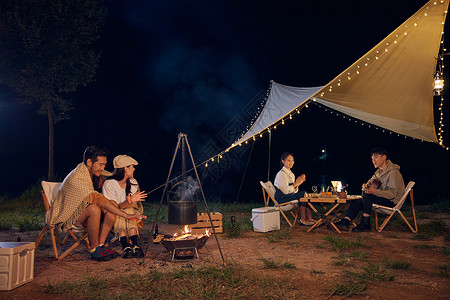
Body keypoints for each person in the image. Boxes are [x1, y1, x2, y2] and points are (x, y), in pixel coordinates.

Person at [49, 146, 147, 261]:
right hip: (71, 216)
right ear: (89, 162)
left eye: (104, 165)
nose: (103, 168)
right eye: (100, 164)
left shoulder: (96, 174)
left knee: (112, 207)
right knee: (94, 208)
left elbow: (110, 181)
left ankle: (100, 246)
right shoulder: (78, 177)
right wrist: (125, 215)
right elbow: (97, 198)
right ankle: (94, 249)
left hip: (85, 213)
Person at [335, 147, 405, 232]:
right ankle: (346, 221)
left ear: (384, 157)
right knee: (358, 200)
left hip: (392, 202)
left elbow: (392, 194)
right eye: (372, 159)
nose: (373, 161)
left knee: (367, 194)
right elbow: (372, 182)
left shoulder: (393, 173)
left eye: (376, 157)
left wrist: (374, 191)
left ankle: (366, 223)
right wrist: (366, 185)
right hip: (385, 199)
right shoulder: (379, 172)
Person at [102, 155, 147, 259]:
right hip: (112, 215)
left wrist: (131, 202)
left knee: (130, 210)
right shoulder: (109, 184)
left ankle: (131, 246)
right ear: (125, 169)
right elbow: (112, 208)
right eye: (132, 166)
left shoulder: (133, 182)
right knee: (121, 212)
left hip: (129, 214)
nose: (134, 169)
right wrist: (128, 202)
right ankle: (128, 245)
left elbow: (134, 207)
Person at [274, 152, 315, 225]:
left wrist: (298, 184)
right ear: (283, 161)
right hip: (282, 199)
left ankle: (309, 218)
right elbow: (286, 191)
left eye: (292, 160)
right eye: (288, 160)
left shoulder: (291, 174)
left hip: (288, 196)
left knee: (305, 194)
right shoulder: (281, 174)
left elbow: (294, 191)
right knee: (303, 194)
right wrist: (296, 184)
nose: (291, 162)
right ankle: (303, 219)